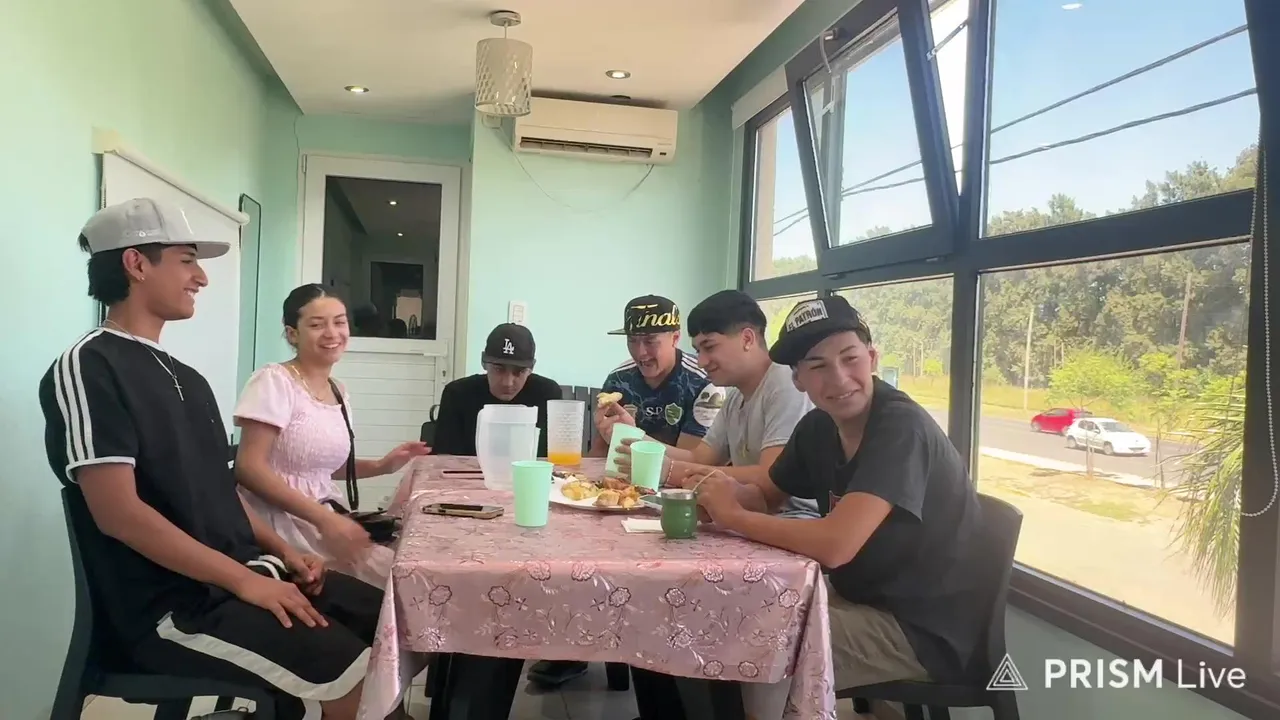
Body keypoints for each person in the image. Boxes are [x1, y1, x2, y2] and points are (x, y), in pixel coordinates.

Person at [39, 199, 396, 720]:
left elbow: (220, 493)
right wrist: (245, 581)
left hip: (240, 575)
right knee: (356, 679)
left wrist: (285, 553)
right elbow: (118, 514)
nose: (201, 278)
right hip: (173, 605)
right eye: (187, 261)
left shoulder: (189, 380)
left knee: (392, 625)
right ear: (136, 264)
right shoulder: (90, 365)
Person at [690, 296, 986, 719]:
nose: (840, 378)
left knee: (746, 637)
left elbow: (836, 545)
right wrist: (719, 494)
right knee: (715, 608)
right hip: (857, 597)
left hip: (922, 629)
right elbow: (768, 495)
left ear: (872, 358)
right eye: (818, 366)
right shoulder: (818, 426)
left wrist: (734, 516)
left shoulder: (901, 427)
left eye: (850, 359)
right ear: (798, 379)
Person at [528, 295, 724, 690]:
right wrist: (578, 483)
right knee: (574, 546)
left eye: (651, 341)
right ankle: (574, 644)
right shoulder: (619, 379)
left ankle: (649, 655)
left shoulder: (704, 384)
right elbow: (599, 455)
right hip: (620, 492)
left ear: (675, 337)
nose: (641, 352)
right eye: (633, 341)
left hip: (677, 497)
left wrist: (635, 434)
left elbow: (694, 461)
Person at [233, 284, 430, 588]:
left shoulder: (338, 390)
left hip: (324, 521)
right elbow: (248, 467)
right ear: (292, 334)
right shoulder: (273, 381)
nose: (332, 333)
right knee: (402, 582)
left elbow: (315, 467)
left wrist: (382, 466)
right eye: (317, 325)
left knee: (412, 566)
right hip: (279, 524)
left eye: (339, 322)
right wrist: (325, 520)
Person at [625, 290, 819, 519]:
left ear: (747, 339)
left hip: (795, 518)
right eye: (698, 351)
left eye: (709, 347)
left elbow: (771, 477)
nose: (701, 361)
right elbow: (699, 458)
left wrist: (673, 472)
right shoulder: (736, 396)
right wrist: (635, 437)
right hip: (750, 516)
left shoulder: (785, 382)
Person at [432, 322, 563, 456]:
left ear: (532, 367)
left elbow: (557, 458)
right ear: (483, 362)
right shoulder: (457, 394)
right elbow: (444, 458)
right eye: (498, 369)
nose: (508, 383)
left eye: (519, 372)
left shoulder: (548, 395)